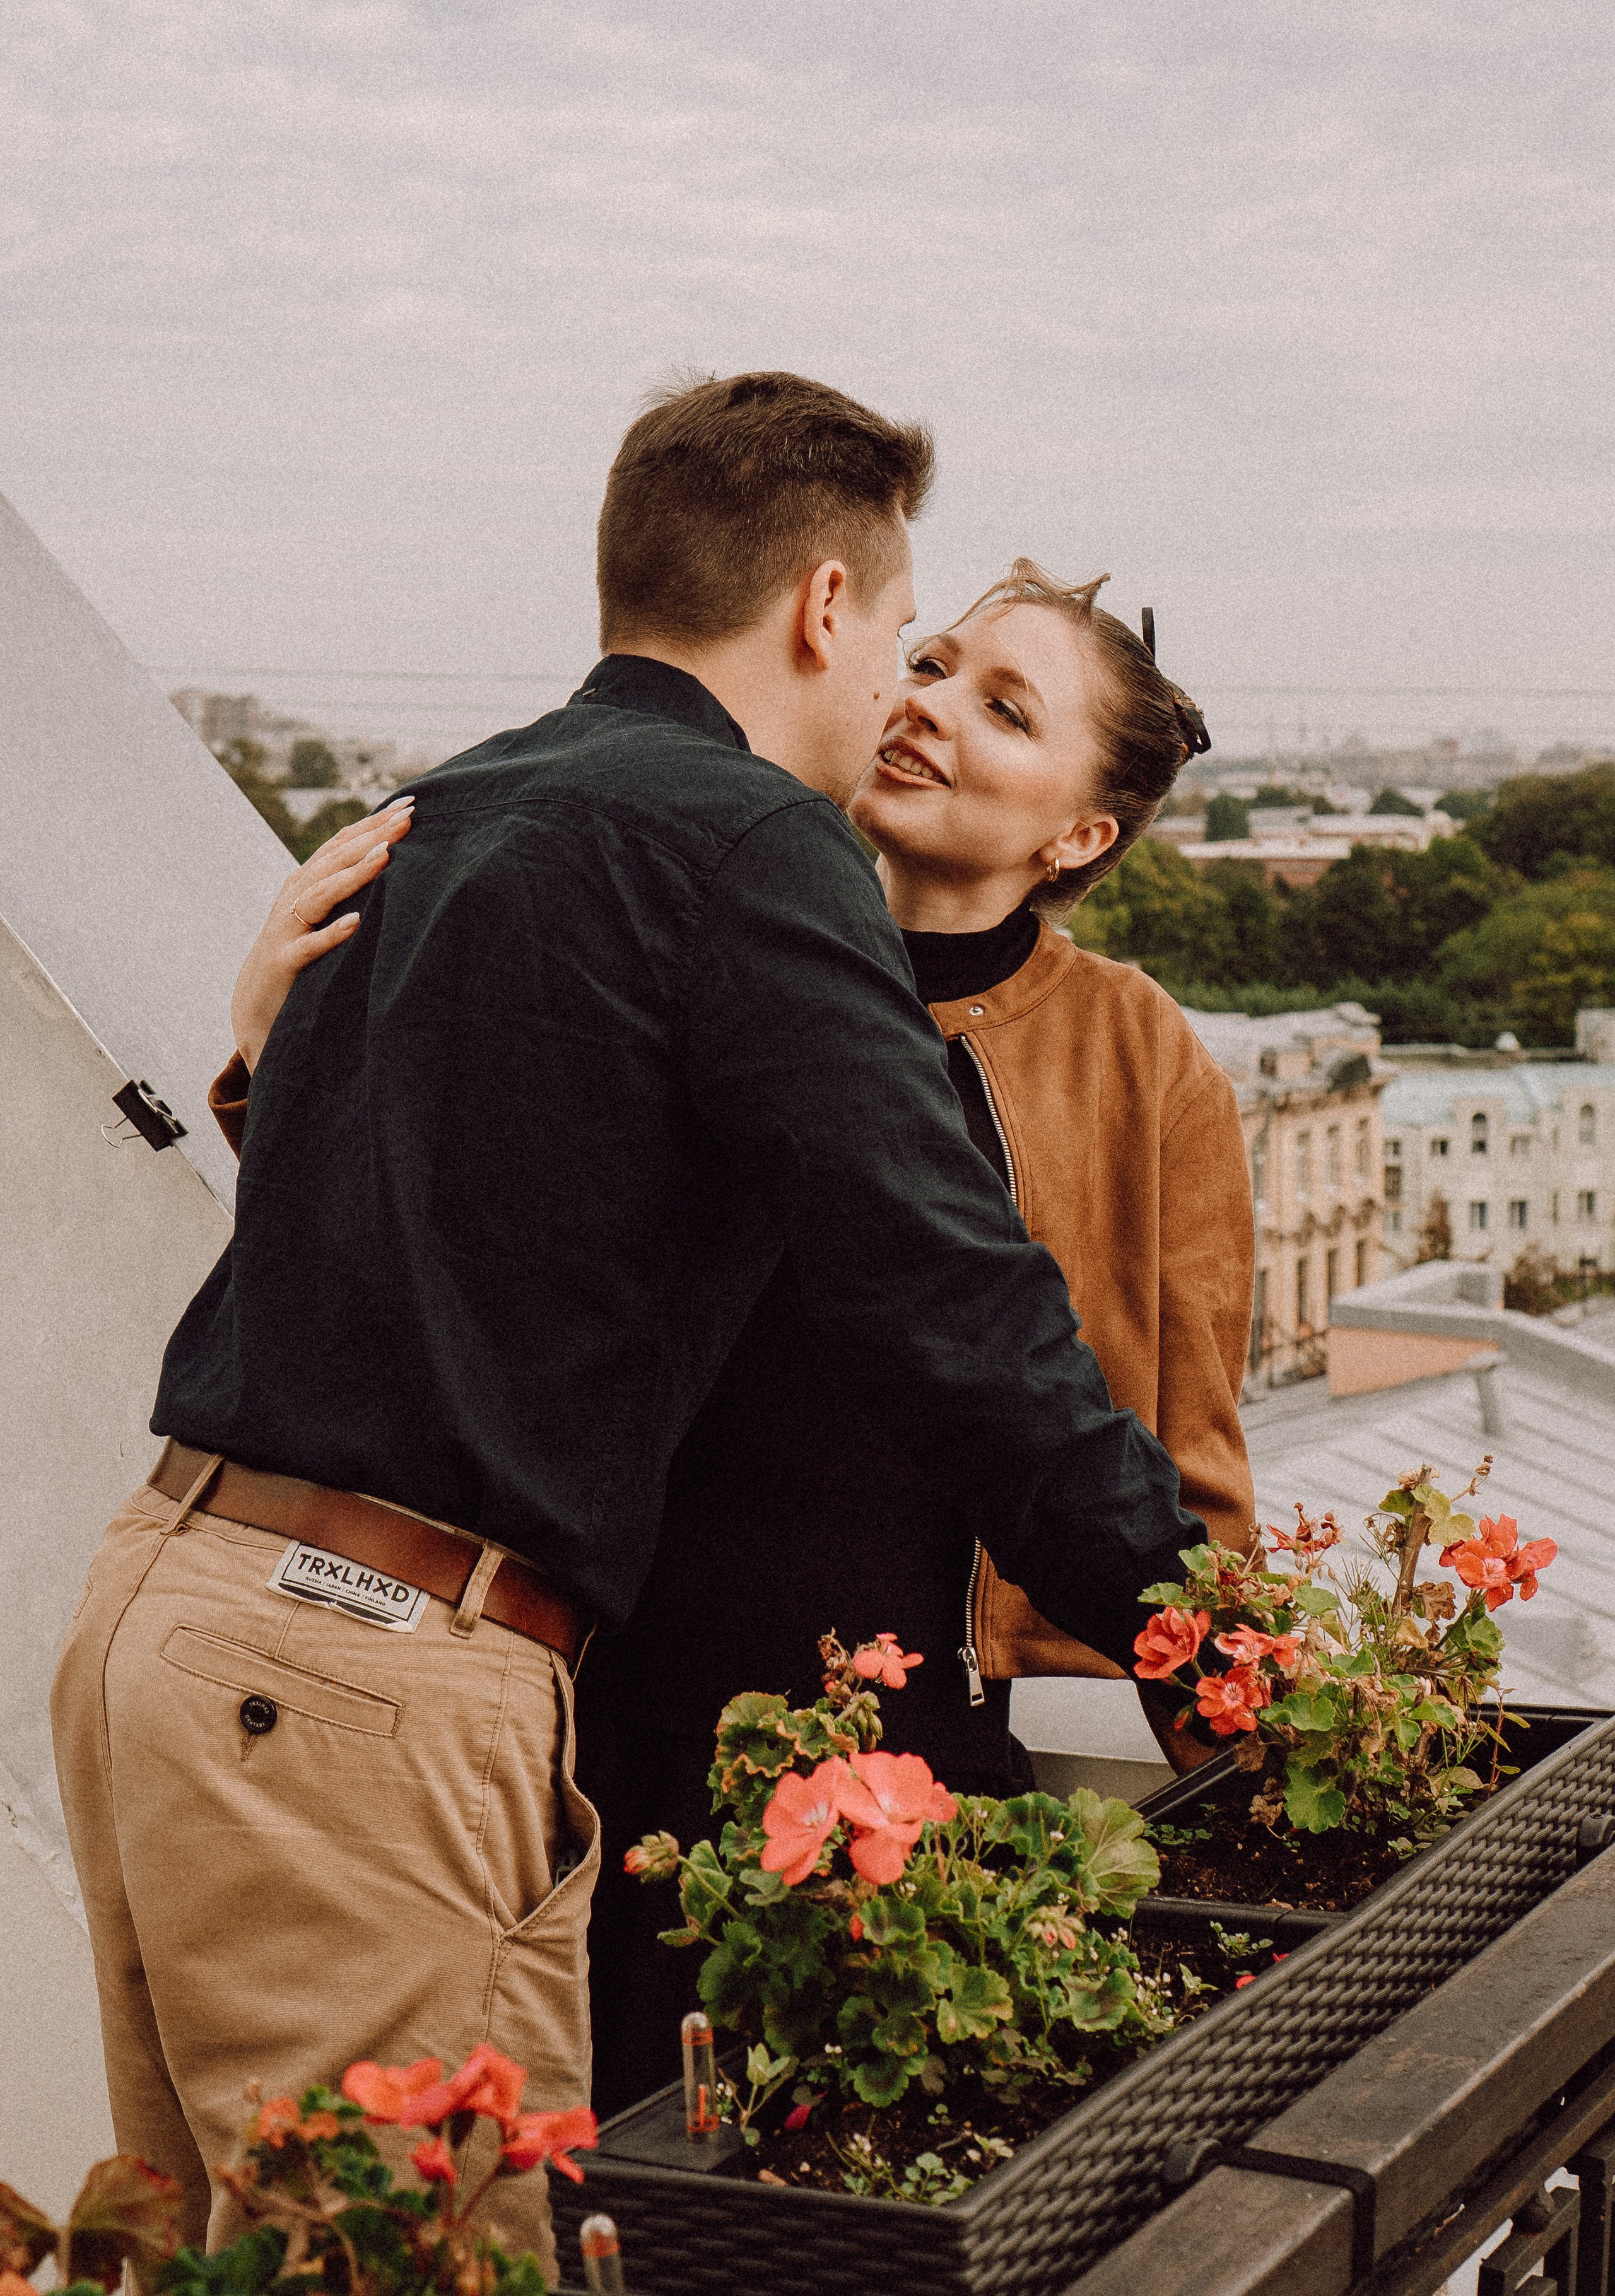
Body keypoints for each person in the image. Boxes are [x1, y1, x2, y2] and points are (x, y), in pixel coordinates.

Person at [51, 373, 1199, 2267]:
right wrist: (1213, 1645)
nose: (897, 688)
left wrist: (261, 1064)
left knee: (236, 2259)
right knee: (445, 2260)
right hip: (368, 1672)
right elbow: (953, 1300)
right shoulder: (755, 845)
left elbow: (456, 1212)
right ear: (822, 607)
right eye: (905, 634)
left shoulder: (443, 808)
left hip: (163, 1635)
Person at [208, 559, 1257, 2119]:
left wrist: (1248, 1732)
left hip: (904, 1732)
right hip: (603, 1704)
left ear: (1079, 834)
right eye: (940, 659)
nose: (929, 708)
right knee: (603, 2172)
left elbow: (1182, 1437)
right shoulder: (706, 917)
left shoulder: (1136, 1055)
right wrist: (264, 1061)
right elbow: (462, 1247)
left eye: (1005, 707)